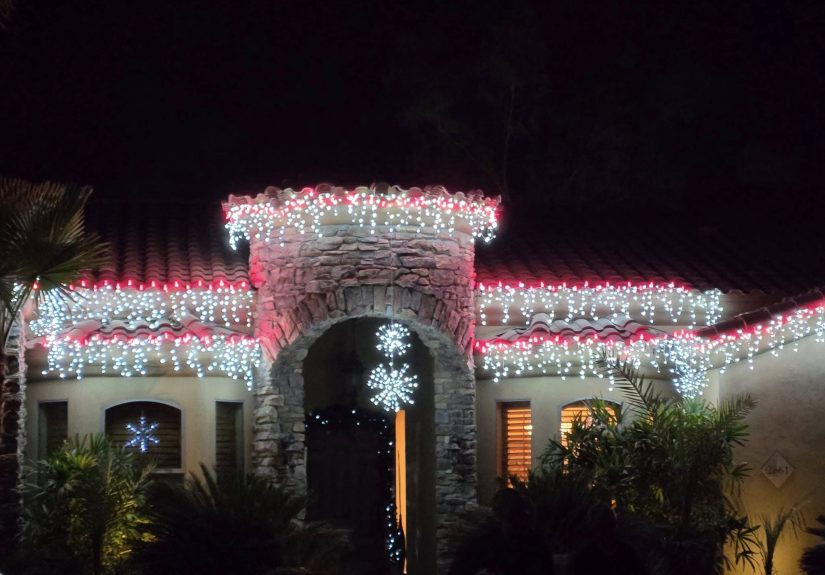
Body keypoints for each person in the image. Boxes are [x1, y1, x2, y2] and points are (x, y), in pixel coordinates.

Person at [571, 505, 646, 575]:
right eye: (601, 526)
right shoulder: (585, 557)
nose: (605, 531)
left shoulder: (628, 553)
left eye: (607, 525)